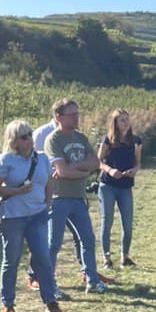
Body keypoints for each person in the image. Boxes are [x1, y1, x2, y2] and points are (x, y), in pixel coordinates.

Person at [0, 120, 61, 312]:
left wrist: (48, 203)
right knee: (11, 259)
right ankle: (7, 303)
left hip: (37, 215)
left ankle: (50, 300)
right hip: (13, 217)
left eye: (30, 134)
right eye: (23, 137)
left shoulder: (42, 158)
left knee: (43, 258)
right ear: (14, 140)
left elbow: (49, 181)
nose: (29, 139)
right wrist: (17, 191)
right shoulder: (6, 159)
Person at [44, 98, 107, 294]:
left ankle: (92, 280)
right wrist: (82, 171)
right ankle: (49, 284)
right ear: (58, 116)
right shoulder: (53, 140)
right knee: (53, 243)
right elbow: (62, 172)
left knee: (87, 239)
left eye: (77, 113)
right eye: (71, 114)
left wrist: (76, 168)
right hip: (58, 198)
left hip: (78, 197)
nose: (76, 117)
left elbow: (95, 163)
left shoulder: (80, 137)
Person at [96, 109, 142, 267]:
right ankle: (106, 258)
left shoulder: (136, 141)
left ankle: (125, 256)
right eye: (122, 120)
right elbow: (98, 161)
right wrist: (110, 170)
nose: (125, 123)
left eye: (127, 119)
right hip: (108, 185)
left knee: (127, 224)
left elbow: (138, 162)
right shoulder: (107, 140)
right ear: (115, 123)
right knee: (107, 221)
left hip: (125, 186)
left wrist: (134, 170)